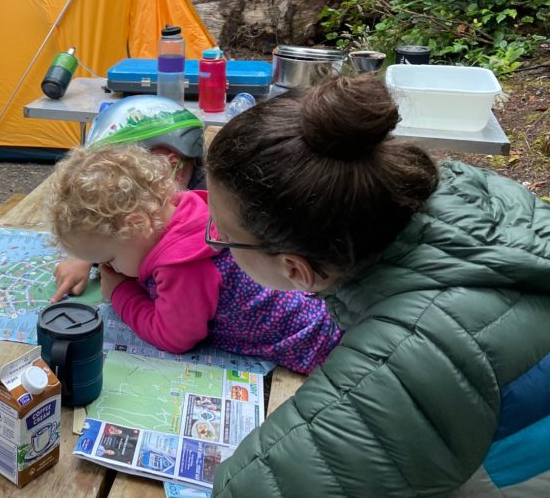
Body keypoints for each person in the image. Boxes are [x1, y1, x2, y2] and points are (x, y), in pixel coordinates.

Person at [203, 74, 550, 497]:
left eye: (221, 231)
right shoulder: (467, 192)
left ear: (296, 269)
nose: (216, 237)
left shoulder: (411, 349)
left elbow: (250, 488)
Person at [47, 144, 341, 372]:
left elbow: (173, 338)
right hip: (315, 301)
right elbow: (119, 245)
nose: (107, 268)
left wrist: (120, 293)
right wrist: (85, 259)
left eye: (108, 259)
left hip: (316, 347)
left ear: (136, 225)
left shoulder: (182, 267)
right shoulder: (171, 210)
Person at [51, 95, 205, 303]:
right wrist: (87, 255)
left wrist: (121, 293)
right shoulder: (161, 203)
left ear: (169, 167)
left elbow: (174, 329)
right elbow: (114, 225)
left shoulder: (211, 208)